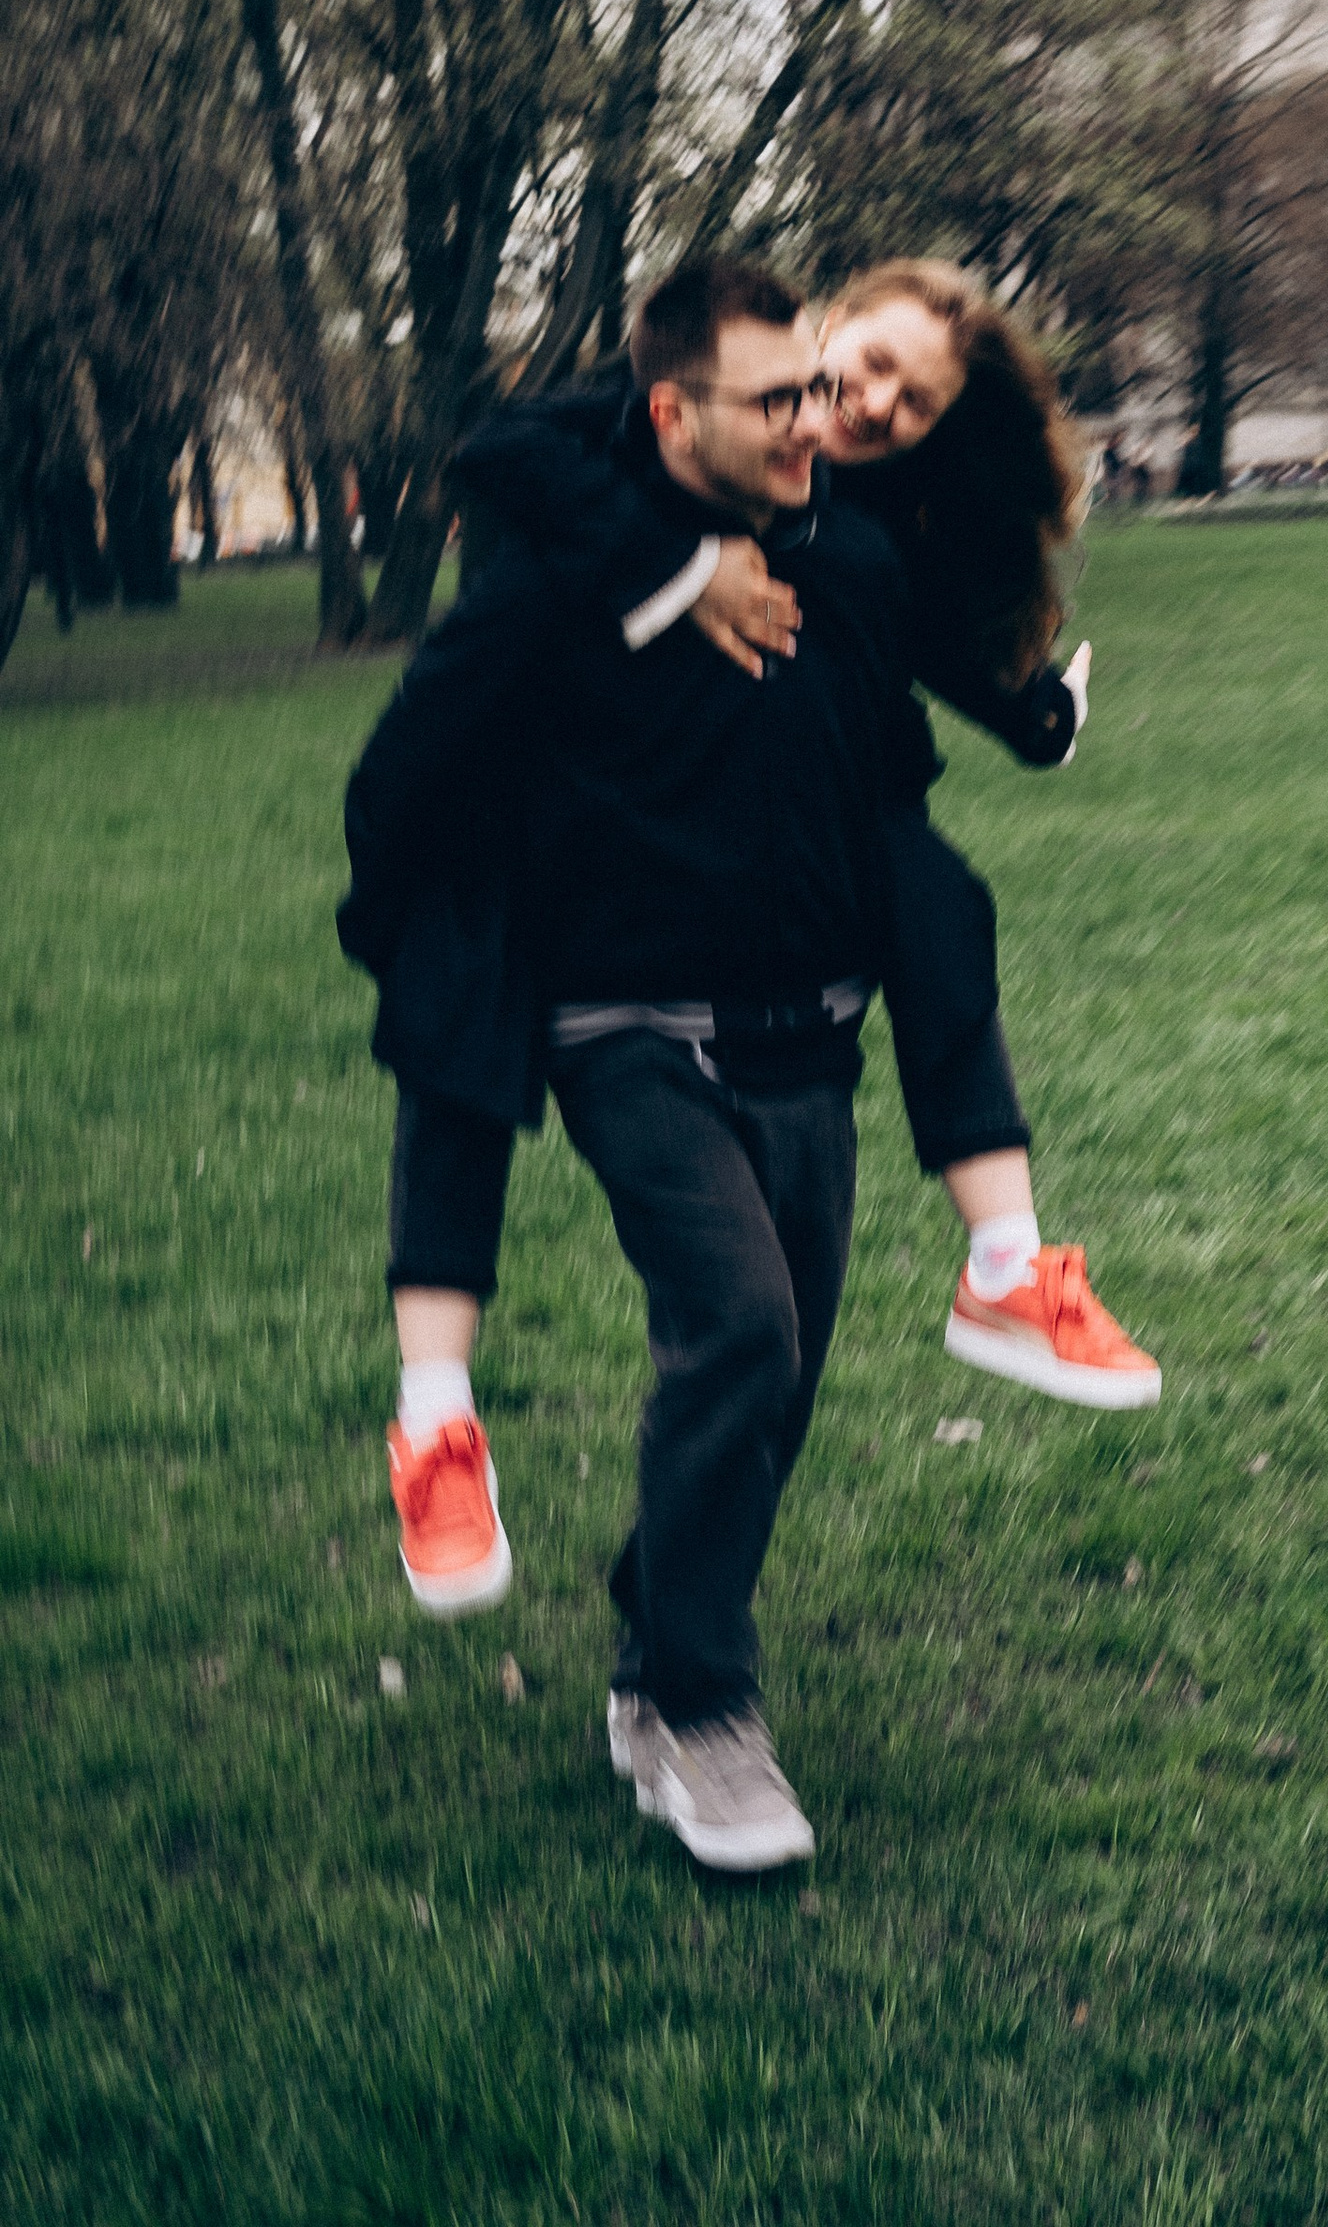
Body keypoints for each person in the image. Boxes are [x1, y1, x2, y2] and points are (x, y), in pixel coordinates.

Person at [344, 255, 906, 1871]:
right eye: (775, 399)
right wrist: (429, 947)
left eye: (815, 388)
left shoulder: (835, 545)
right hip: (626, 1033)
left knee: (774, 1379)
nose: (811, 421)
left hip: (811, 1033)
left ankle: (657, 1648)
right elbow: (401, 773)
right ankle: (704, 1718)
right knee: (739, 1326)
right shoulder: (561, 576)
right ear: (670, 416)